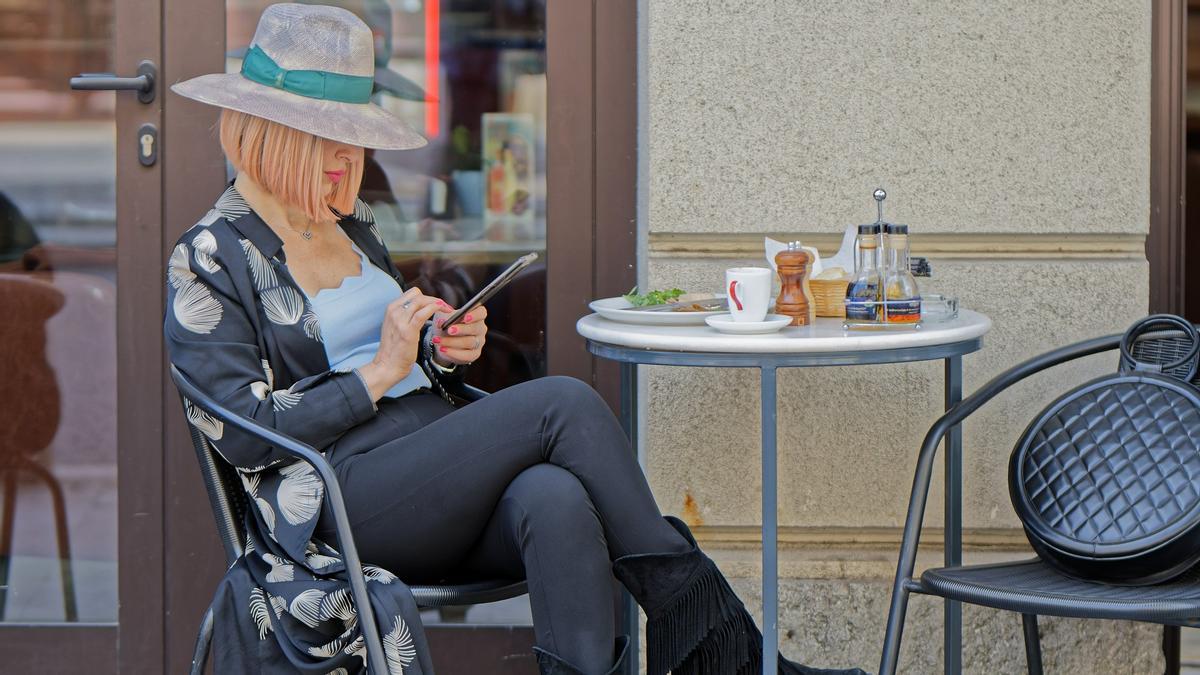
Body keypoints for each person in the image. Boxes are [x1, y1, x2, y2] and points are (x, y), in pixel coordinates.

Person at [167, 5, 866, 675]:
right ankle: (728, 651)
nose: (347, 163)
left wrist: (437, 350)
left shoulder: (353, 227)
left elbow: (399, 360)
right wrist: (379, 371)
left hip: (428, 468)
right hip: (338, 496)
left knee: (554, 496)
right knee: (561, 401)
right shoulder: (209, 257)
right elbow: (244, 432)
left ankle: (718, 650)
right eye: (330, 143)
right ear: (272, 135)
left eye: (353, 143)